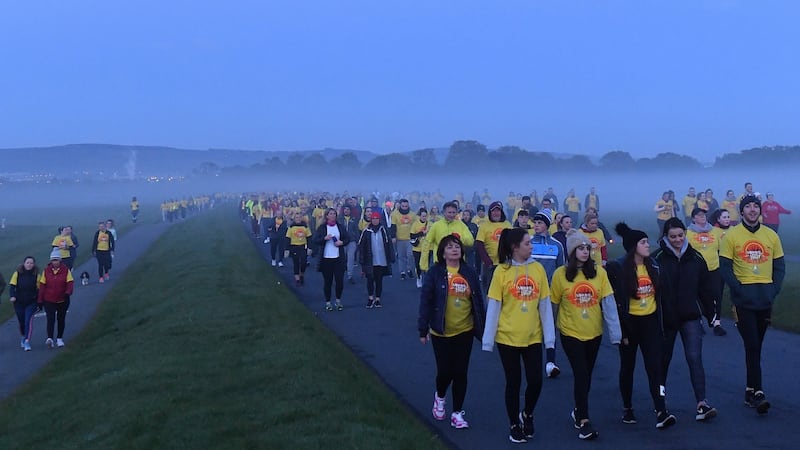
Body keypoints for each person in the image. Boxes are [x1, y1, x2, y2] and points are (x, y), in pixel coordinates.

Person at [482, 228, 554, 443]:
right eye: (527, 243)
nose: (531, 246)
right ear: (514, 247)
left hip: (533, 336)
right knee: (513, 382)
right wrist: (488, 340)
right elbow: (494, 306)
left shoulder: (538, 269)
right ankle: (514, 423)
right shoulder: (501, 272)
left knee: (536, 381)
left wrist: (549, 339)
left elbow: (545, 305)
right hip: (507, 337)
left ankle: (527, 413)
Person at [551, 230, 621, 440]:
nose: (585, 252)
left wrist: (615, 334)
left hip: (594, 332)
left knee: (587, 375)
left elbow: (608, 304)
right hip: (570, 332)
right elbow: (553, 305)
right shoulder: (560, 275)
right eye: (580, 248)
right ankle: (584, 420)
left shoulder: (599, 273)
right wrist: (548, 335)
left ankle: (578, 410)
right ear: (572, 252)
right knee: (581, 373)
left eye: (587, 248)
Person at [719, 195, 785, 415]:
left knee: (756, 346)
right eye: (748, 206)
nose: (752, 209)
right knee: (752, 345)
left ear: (760, 210)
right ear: (742, 211)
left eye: (755, 206)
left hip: (764, 298)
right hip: (744, 300)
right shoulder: (731, 235)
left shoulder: (771, 235)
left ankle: (750, 389)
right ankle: (758, 392)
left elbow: (779, 266)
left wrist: (773, 290)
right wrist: (738, 289)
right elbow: (725, 267)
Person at [606, 223, 675, 429]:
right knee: (627, 367)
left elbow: (663, 297)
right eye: (643, 242)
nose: (648, 245)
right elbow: (615, 303)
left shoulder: (653, 266)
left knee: (655, 368)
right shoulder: (617, 268)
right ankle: (627, 408)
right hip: (629, 324)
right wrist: (622, 331)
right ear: (633, 246)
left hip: (650, 323)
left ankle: (661, 409)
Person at [653, 218, 718, 422]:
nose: (677, 240)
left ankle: (702, 403)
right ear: (665, 236)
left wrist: (711, 313)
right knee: (662, 362)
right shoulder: (657, 259)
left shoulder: (696, 258)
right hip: (667, 319)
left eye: (681, 235)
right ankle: (660, 404)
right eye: (673, 236)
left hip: (690, 316)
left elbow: (706, 289)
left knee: (694, 359)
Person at [418, 234, 486, 429]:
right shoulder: (435, 273)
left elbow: (478, 301)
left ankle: (457, 412)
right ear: (443, 252)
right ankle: (440, 396)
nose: (454, 249)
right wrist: (423, 329)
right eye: (449, 247)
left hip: (464, 330)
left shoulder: (469, 272)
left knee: (461, 372)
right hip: (441, 331)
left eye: (457, 246)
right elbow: (426, 302)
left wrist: (483, 328)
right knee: (445, 371)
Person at [530, 212, 565, 379]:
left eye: (539, 222)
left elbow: (561, 271)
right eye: (535, 222)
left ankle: (550, 362)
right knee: (532, 326)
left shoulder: (557, 245)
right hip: (530, 293)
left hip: (550, 294)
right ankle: (534, 360)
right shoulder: (528, 243)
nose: (536, 225)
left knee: (549, 327)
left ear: (547, 225)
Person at [686, 208, 727, 336]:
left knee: (717, 296)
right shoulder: (688, 233)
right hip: (696, 271)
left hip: (714, 269)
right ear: (693, 218)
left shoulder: (715, 232)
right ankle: (700, 322)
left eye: (704, 214)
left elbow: (723, 249)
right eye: (699, 215)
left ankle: (717, 323)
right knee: (698, 297)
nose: (703, 216)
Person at [312, 208, 351, 311]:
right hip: (326, 258)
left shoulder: (340, 227)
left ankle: (338, 300)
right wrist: (324, 239)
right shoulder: (322, 228)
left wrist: (342, 243)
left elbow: (347, 238)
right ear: (327, 216)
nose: (333, 215)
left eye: (334, 214)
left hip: (338, 258)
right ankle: (328, 302)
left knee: (339, 281)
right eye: (331, 214)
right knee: (328, 281)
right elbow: (315, 240)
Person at [419, 202, 474, 273]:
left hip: (457, 263)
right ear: (444, 213)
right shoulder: (436, 226)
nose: (451, 215)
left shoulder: (461, 225)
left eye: (454, 212)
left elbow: (470, 242)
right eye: (449, 212)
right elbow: (426, 244)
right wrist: (424, 264)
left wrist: (459, 238)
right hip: (440, 263)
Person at [37, 249, 74, 348]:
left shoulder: (66, 270)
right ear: (50, 261)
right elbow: (42, 286)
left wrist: (67, 293)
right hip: (49, 299)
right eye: (53, 260)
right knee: (50, 318)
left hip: (63, 299)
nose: (55, 262)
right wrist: (40, 301)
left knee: (61, 319)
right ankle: (50, 338)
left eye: (57, 260)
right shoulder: (46, 271)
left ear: (60, 260)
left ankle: (59, 338)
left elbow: (70, 283)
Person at [358, 212, 394, 308]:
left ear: (379, 219)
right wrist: (362, 260)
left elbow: (389, 244)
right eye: (373, 219)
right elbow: (361, 246)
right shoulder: (366, 231)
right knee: (370, 280)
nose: (375, 220)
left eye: (376, 219)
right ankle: (370, 298)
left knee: (379, 280)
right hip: (370, 260)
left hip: (381, 260)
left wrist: (391, 257)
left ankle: (378, 298)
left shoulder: (383, 230)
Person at [476, 201, 511, 292]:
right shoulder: (484, 226)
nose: (496, 213)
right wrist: (487, 261)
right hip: (490, 265)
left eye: (498, 211)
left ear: (501, 212)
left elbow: (512, 242)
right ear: (490, 213)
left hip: (505, 263)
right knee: (490, 291)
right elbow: (479, 244)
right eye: (493, 211)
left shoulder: (507, 224)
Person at [9, 256, 39, 351]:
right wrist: (13, 296)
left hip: (31, 302)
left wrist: (39, 300)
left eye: (31, 263)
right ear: (24, 263)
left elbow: (40, 289)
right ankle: (23, 336)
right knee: (21, 321)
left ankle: (27, 341)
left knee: (28, 321)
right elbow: (12, 286)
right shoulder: (17, 273)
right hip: (19, 302)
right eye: (27, 263)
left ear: (34, 265)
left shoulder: (37, 275)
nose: (29, 264)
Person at [391, 198, 417, 280]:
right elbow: (393, 226)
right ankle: (402, 272)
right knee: (401, 256)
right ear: (400, 206)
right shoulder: (395, 214)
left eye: (406, 206)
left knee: (410, 255)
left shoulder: (413, 214)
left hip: (410, 238)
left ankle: (409, 269)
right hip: (400, 238)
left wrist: (415, 236)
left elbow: (415, 226)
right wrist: (393, 237)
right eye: (403, 206)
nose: (405, 207)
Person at [285, 212, 312, 287]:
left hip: (303, 247)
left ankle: (301, 274)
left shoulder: (305, 227)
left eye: (299, 217)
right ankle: (297, 279)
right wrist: (287, 249)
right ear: (294, 219)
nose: (298, 219)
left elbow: (309, 238)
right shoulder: (291, 227)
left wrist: (310, 248)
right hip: (294, 247)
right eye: (296, 217)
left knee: (303, 262)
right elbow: (287, 239)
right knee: (296, 263)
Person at [340, 205, 361, 284]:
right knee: (341, 259)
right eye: (345, 209)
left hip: (351, 241)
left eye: (348, 209)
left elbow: (356, 230)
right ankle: (339, 275)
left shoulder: (354, 219)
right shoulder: (339, 219)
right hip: (342, 241)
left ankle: (350, 276)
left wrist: (357, 240)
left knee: (351, 258)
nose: (346, 211)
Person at [410, 208, 430, 288]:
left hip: (427, 248)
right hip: (417, 248)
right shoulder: (415, 224)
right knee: (418, 265)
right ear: (419, 216)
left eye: (425, 216)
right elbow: (412, 236)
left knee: (426, 265)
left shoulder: (430, 224)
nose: (424, 218)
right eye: (423, 216)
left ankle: (426, 280)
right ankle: (418, 278)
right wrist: (421, 233)